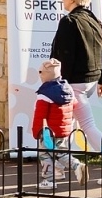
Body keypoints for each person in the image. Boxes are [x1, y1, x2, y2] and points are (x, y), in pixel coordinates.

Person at [49, 0, 102, 185]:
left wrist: (58, 82)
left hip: (73, 81)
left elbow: (61, 55)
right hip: (90, 79)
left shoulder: (69, 21)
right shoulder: (93, 19)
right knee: (68, 125)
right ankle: (60, 167)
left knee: (82, 125)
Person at [31, 58, 78, 189]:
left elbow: (39, 115)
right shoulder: (67, 89)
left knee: (45, 154)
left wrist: (37, 132)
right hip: (63, 131)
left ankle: (49, 180)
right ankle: (77, 166)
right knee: (61, 153)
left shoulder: (44, 94)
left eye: (41, 72)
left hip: (48, 132)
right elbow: (73, 106)